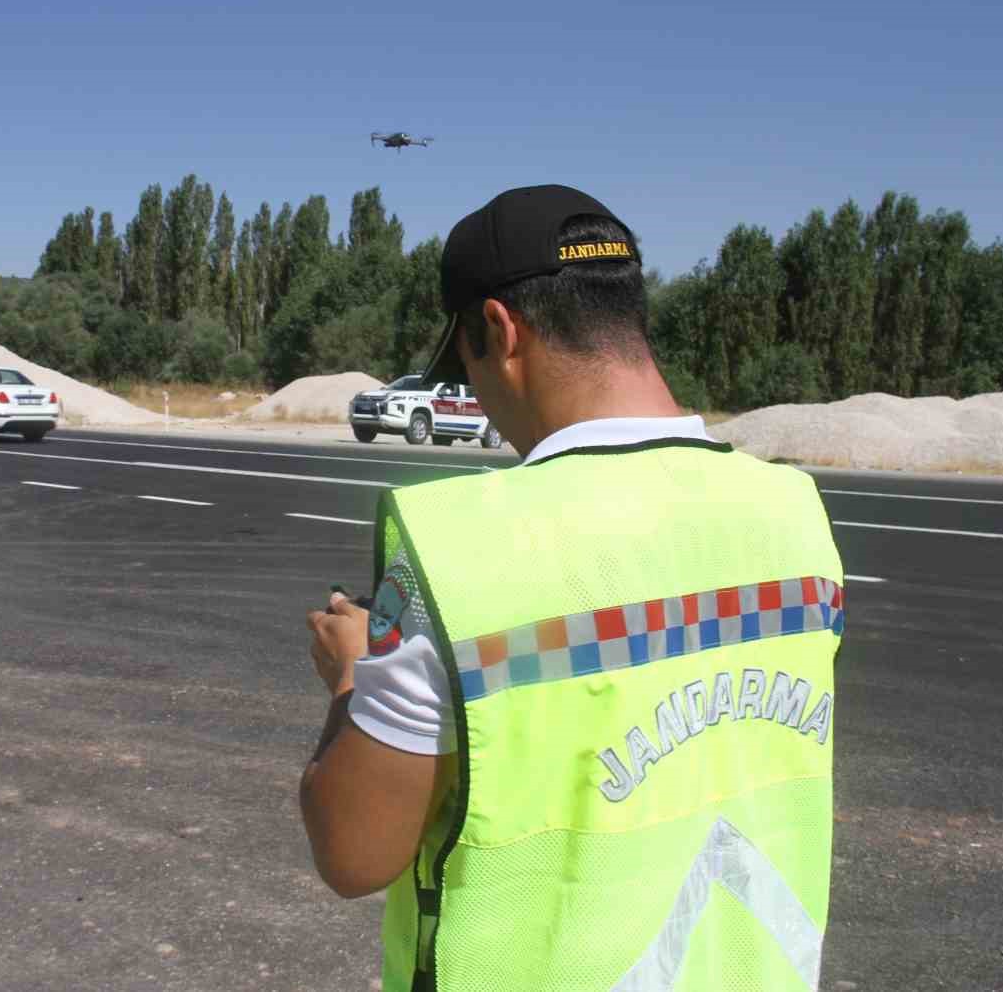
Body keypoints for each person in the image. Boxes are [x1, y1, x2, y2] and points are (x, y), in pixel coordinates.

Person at [299, 185, 845, 991]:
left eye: (469, 368)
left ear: (500, 330)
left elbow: (354, 853)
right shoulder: (792, 510)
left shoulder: (462, 550)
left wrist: (350, 681)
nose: (477, 398)